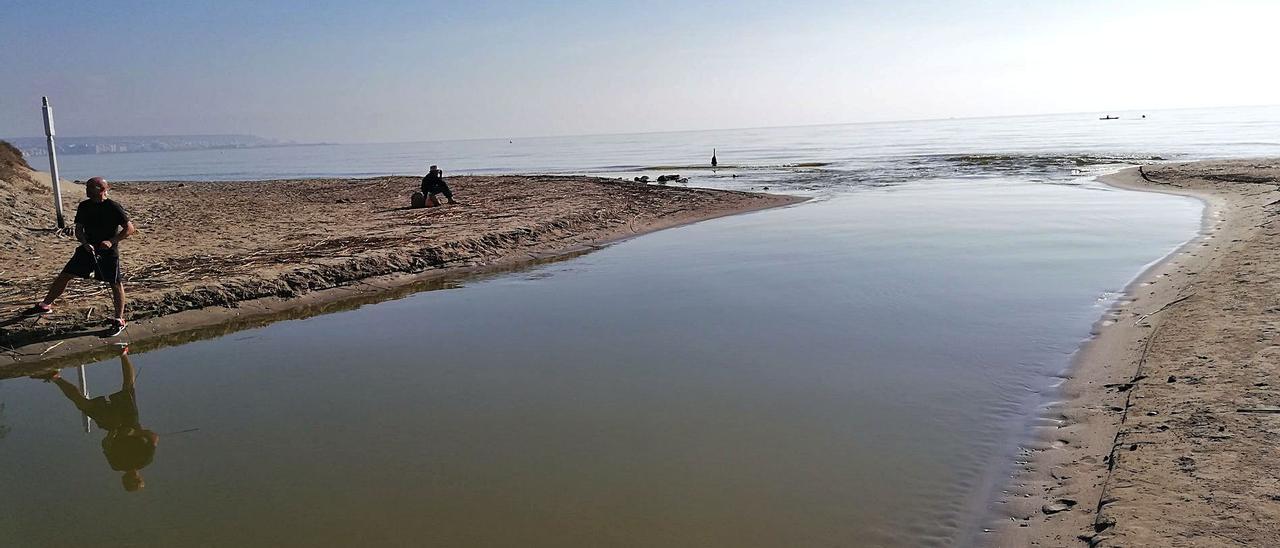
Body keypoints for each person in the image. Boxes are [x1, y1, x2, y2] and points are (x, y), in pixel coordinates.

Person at [31, 345, 159, 492]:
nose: (132, 477)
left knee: (82, 404)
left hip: (111, 424)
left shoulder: (116, 465)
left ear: (125, 480)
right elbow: (154, 437)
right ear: (139, 477)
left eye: (130, 481)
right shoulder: (145, 460)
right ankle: (123, 354)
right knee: (128, 387)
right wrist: (135, 433)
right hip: (130, 420)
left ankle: (55, 377)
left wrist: (112, 435)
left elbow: (105, 445)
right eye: (136, 480)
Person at [23, 177, 137, 336]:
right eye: (87, 187)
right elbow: (78, 230)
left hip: (108, 252)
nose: (87, 190)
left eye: (91, 188)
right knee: (65, 275)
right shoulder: (84, 206)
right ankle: (45, 305)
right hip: (87, 249)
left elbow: (129, 229)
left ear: (102, 190)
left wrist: (111, 241)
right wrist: (84, 242)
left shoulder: (113, 207)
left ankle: (119, 319)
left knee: (115, 283)